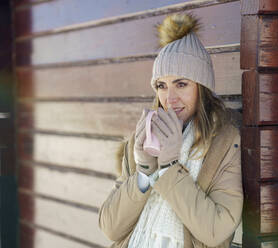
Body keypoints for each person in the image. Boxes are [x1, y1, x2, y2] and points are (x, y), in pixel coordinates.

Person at [98, 13, 243, 248]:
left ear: (202, 87)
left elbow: (217, 232)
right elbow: (110, 226)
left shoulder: (225, 142)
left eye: (181, 84)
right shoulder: (144, 137)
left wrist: (169, 169)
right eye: (162, 86)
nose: (170, 98)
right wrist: (144, 173)